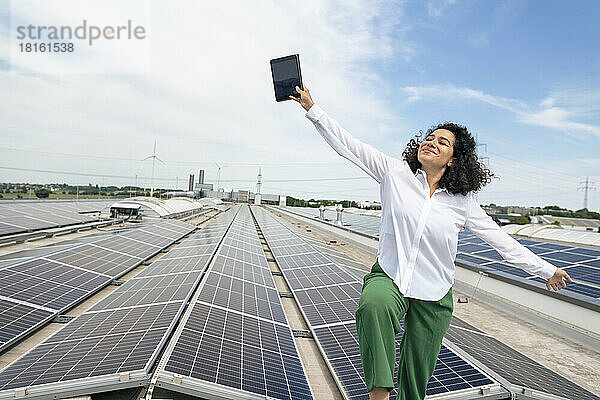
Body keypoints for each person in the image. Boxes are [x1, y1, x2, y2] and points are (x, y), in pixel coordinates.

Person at [289, 85, 573, 400]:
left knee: (415, 384)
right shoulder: (394, 174)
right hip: (391, 275)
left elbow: (503, 242)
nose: (431, 142)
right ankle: (379, 392)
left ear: (453, 160)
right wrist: (312, 109)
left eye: (442, 142)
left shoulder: (462, 203)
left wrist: (546, 269)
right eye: (429, 137)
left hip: (434, 293)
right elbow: (348, 145)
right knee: (374, 305)